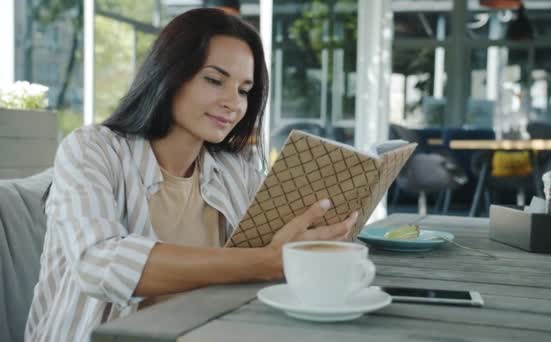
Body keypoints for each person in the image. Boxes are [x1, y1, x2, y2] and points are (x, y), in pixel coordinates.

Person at [25, 8, 358, 342]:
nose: (233, 103)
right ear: (169, 74)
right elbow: (98, 262)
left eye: (244, 90)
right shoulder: (91, 149)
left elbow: (275, 256)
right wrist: (266, 261)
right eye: (215, 80)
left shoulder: (235, 172)